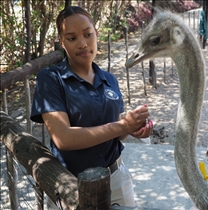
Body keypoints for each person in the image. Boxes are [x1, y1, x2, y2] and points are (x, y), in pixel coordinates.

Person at [30, 6, 153, 208]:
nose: (82, 43)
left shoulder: (110, 80)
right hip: (72, 184)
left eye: (88, 34)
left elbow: (116, 133)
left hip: (117, 178)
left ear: (96, 34)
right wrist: (123, 125)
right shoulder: (51, 78)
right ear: (62, 42)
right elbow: (63, 138)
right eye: (72, 38)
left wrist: (133, 128)